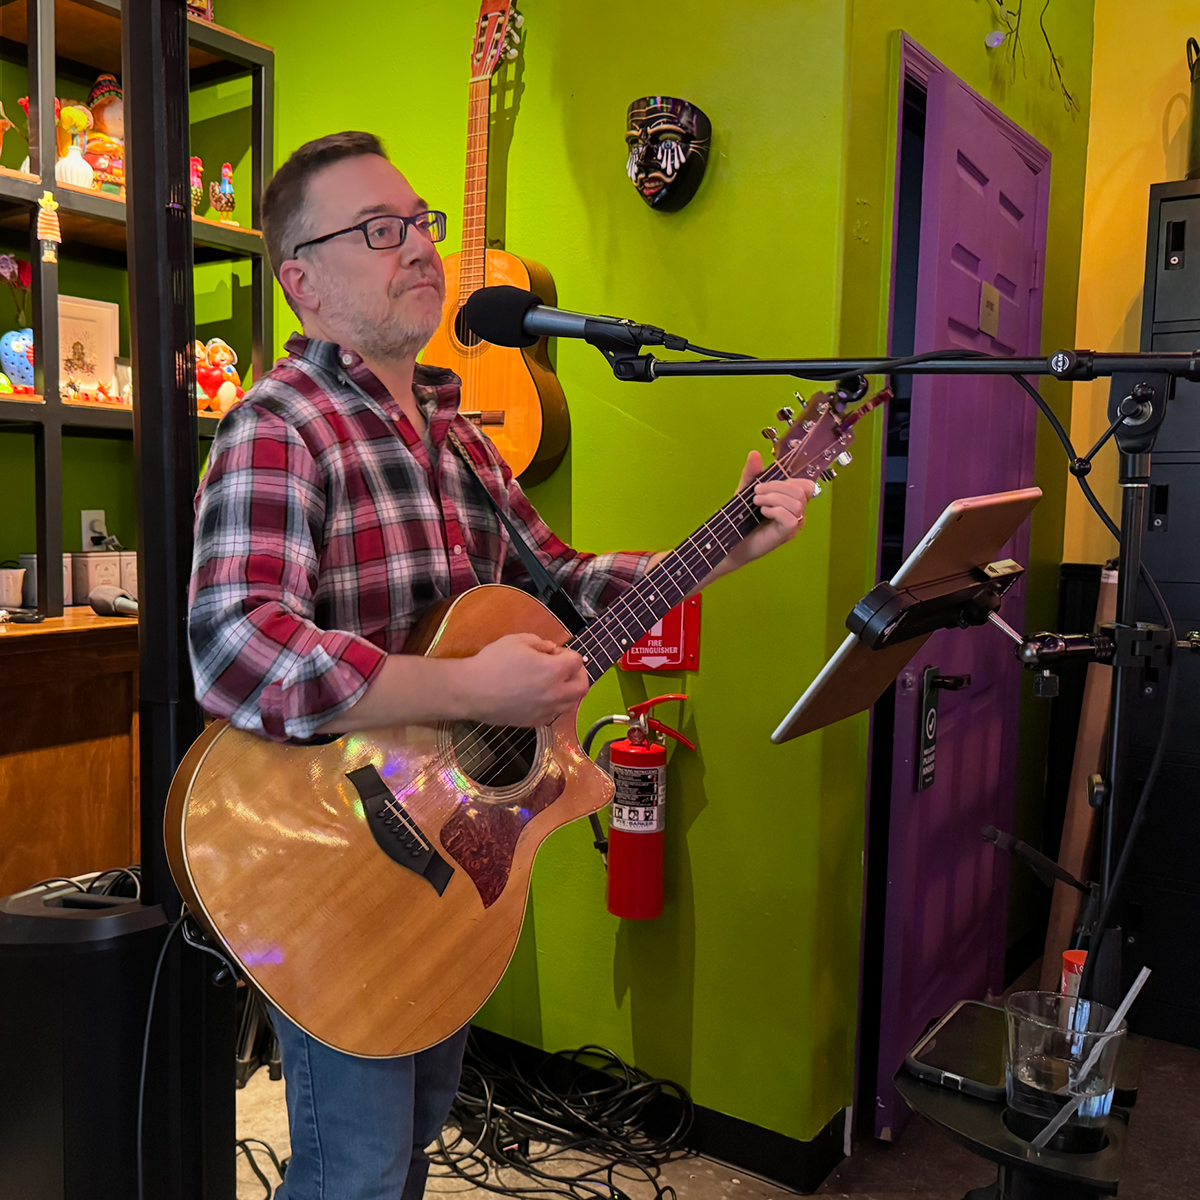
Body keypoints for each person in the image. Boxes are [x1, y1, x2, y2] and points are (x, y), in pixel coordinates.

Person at [187, 131, 814, 1200]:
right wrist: (474, 689)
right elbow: (237, 645)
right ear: (302, 282)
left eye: (421, 222)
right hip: (331, 863)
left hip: (446, 858)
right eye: (379, 231)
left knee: (413, 1134)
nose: (420, 247)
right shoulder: (280, 426)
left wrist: (721, 546)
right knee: (357, 1169)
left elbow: (562, 581)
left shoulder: (461, 436)